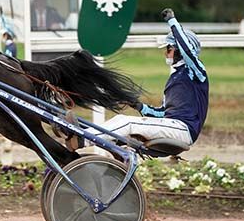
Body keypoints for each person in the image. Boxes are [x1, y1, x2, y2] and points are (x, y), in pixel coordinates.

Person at [87, 8, 209, 149]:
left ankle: (83, 138)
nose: (165, 53)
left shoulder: (196, 70)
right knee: (121, 120)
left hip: (183, 129)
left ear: (179, 51)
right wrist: (138, 105)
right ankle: (84, 134)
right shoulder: (175, 79)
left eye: (169, 49)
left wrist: (172, 21)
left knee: (128, 124)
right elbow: (162, 113)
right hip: (172, 126)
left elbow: (186, 49)